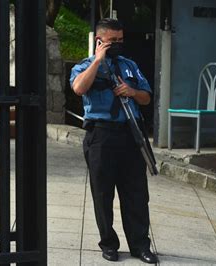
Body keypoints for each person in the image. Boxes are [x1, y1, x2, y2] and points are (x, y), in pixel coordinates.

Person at [70, 18, 158, 264]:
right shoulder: (85, 66)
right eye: (113, 41)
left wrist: (132, 92)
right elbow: (78, 88)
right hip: (101, 135)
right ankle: (108, 244)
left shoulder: (130, 66)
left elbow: (146, 98)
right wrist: (98, 60)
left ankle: (140, 246)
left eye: (121, 40)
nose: (118, 44)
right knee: (102, 193)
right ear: (99, 41)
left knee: (136, 194)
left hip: (131, 134)